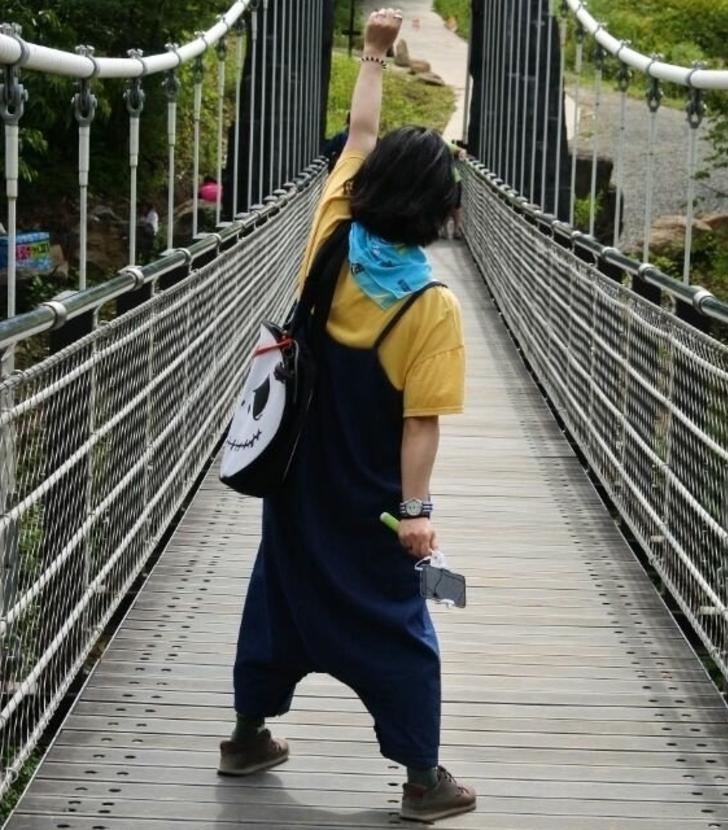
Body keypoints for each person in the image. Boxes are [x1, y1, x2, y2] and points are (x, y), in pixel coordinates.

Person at [218, 7, 476, 824]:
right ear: (437, 210)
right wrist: (417, 513)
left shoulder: (333, 227)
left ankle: (246, 737)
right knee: (395, 627)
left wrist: (372, 54)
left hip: (297, 474)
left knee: (280, 597)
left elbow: (358, 137)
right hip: (371, 496)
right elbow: (420, 424)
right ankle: (424, 780)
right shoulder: (431, 307)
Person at [439, 142, 466, 240]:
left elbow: (461, 150)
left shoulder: (445, 146)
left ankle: (456, 230)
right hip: (440, 181)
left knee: (456, 206)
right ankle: (444, 229)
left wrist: (462, 154)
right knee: (443, 205)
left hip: (454, 179)